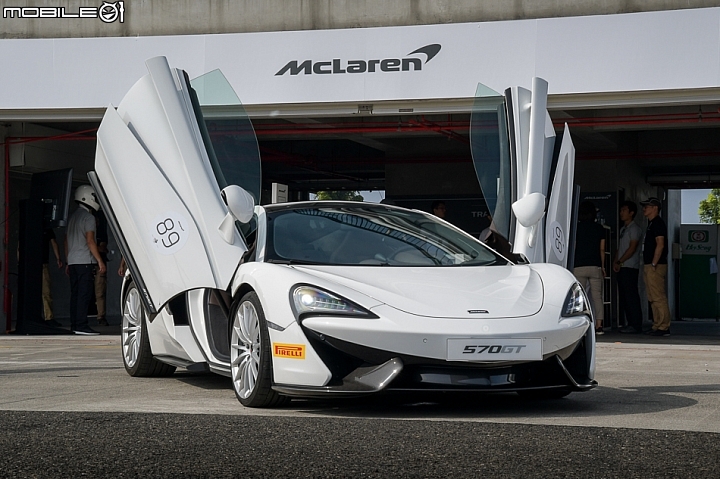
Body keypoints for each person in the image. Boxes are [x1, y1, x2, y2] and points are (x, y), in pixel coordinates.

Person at [65, 185, 106, 335]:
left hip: (73, 260)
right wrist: (100, 260)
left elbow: (66, 241)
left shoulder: (72, 217)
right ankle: (82, 325)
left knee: (75, 294)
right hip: (84, 262)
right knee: (84, 294)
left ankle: (74, 324)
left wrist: (68, 260)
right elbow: (90, 241)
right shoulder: (88, 218)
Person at [572, 201, 606, 335]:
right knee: (597, 297)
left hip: (578, 266)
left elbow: (573, 247)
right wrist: (602, 266)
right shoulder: (599, 228)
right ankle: (599, 326)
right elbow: (602, 249)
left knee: (579, 296)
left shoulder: (575, 228)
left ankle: (580, 324)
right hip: (595, 266)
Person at [641, 196, 671, 336]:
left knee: (658, 296)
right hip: (649, 264)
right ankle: (657, 324)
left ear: (655, 208)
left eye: (647, 206)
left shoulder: (658, 223)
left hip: (655, 265)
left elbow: (660, 244)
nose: (644, 209)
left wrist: (654, 262)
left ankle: (663, 326)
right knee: (652, 296)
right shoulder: (651, 223)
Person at [614, 201, 643, 334]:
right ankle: (629, 322)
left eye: (624, 210)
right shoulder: (623, 229)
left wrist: (620, 261)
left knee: (631, 296)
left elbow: (632, 248)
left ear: (631, 213)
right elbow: (620, 248)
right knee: (624, 296)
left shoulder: (634, 229)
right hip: (622, 265)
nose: (621, 213)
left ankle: (635, 324)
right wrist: (616, 261)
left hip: (630, 266)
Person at [41, 228, 63, 327]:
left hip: (31, 264)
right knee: (46, 292)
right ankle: (49, 317)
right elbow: (54, 243)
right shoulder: (47, 227)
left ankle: (46, 317)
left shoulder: (29, 225)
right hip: (43, 263)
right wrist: (58, 258)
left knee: (43, 292)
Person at [94, 210, 109, 327]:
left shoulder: (101, 233)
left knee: (100, 291)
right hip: (88, 262)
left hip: (100, 264)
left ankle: (101, 316)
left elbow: (102, 248)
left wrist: (92, 247)